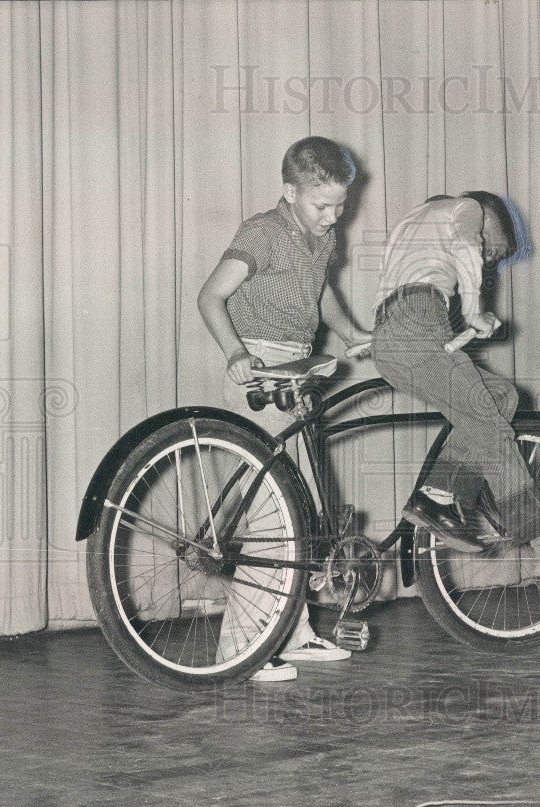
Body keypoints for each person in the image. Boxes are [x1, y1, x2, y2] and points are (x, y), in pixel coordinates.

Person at [197, 136, 371, 681]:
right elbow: (210, 296)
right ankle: (243, 649)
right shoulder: (261, 232)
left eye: (341, 205)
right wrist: (235, 353)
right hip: (259, 373)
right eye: (322, 205)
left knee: (298, 511)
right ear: (289, 191)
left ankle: (291, 635)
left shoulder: (322, 237)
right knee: (272, 517)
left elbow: (319, 293)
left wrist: (351, 335)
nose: (333, 215)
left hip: (299, 368)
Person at [370, 192, 540, 583]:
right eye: (492, 249)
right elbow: (465, 246)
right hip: (414, 325)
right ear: (488, 216)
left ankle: (439, 496)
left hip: (398, 333)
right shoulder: (468, 208)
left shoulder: (414, 220)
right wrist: (471, 307)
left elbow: (408, 285)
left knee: (500, 397)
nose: (487, 258)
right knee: (493, 432)